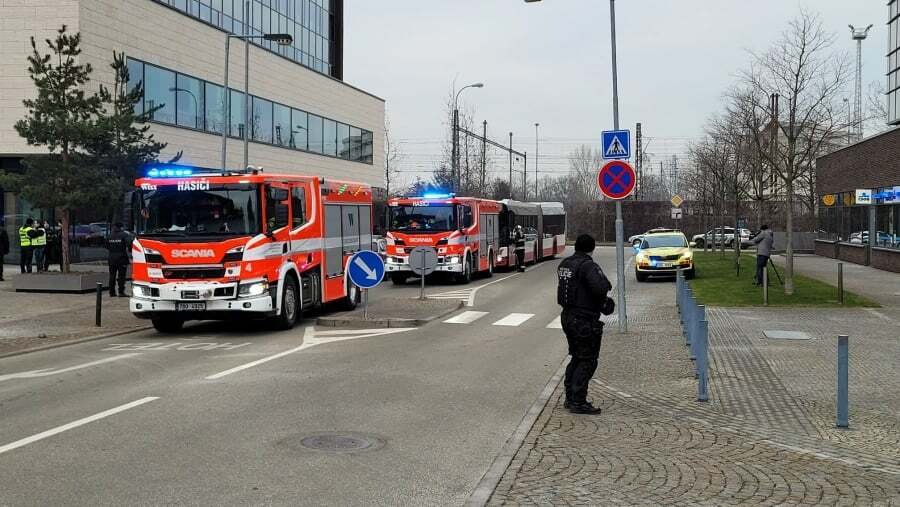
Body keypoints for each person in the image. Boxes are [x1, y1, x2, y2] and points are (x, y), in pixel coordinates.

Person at [556, 234, 615, 415]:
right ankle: (578, 400)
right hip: (583, 319)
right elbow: (601, 287)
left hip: (568, 316)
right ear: (592, 247)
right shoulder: (587, 265)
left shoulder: (565, 264)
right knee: (588, 359)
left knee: (576, 356)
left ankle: (570, 397)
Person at [105, 222, 131, 297]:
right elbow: (130, 243)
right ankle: (121, 292)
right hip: (121, 257)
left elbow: (106, 246)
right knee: (121, 276)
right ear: (121, 227)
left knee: (112, 275)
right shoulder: (124, 235)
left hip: (111, 257)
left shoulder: (109, 236)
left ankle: (112, 292)